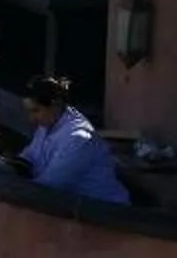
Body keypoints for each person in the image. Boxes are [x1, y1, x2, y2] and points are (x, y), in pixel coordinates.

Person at [10, 75, 130, 205]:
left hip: (107, 214)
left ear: (56, 104)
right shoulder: (46, 126)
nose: (31, 119)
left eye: (36, 111)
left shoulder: (77, 139)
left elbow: (48, 186)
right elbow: (29, 158)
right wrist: (5, 169)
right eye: (29, 112)